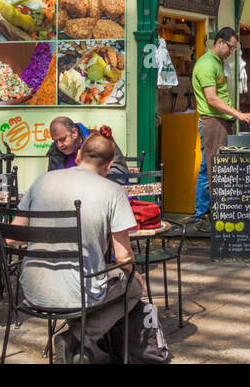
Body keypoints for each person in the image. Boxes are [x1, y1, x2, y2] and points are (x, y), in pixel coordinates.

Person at [13, 134, 170, 364]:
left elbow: (14, 235)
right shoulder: (113, 192)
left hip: (31, 288)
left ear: (78, 155)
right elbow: (123, 255)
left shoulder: (41, 181)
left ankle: (83, 344)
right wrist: (133, 272)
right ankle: (79, 337)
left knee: (96, 280)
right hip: (79, 291)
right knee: (133, 285)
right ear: (108, 166)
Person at [191, 28, 250, 232]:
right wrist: (238, 114)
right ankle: (207, 215)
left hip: (221, 122)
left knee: (208, 167)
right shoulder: (206, 64)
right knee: (215, 169)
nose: (231, 51)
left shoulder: (218, 63)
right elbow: (211, 98)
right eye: (230, 47)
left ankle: (203, 213)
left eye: (234, 48)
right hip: (213, 122)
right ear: (220, 42)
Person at [47, 116, 130, 184]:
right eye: (55, 141)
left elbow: (119, 172)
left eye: (63, 139)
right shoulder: (55, 150)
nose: (59, 145)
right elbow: (52, 180)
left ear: (74, 133)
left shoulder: (99, 140)